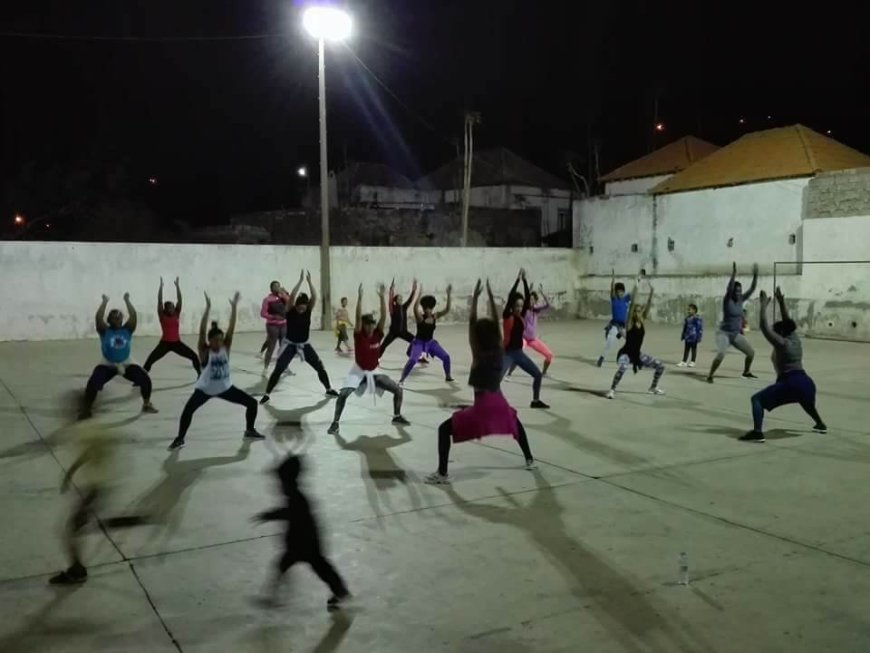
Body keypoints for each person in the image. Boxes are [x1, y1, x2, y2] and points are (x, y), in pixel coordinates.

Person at [424, 279, 536, 484]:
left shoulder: (477, 352)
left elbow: (472, 321)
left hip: (482, 409)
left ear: (477, 337)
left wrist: (475, 297)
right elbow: (494, 319)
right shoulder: (499, 351)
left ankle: (442, 474)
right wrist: (492, 297)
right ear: (494, 334)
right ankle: (530, 459)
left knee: (443, 430)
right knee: (515, 422)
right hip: (499, 404)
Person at [253, 454, 351, 610]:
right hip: (300, 543)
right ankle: (272, 596)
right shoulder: (294, 494)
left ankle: (341, 591)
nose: (278, 486)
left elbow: (290, 513)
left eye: (280, 482)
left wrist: (269, 515)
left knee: (320, 569)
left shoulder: (297, 497)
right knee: (290, 566)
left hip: (306, 543)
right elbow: (289, 513)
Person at [168, 292, 264, 451]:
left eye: (221, 339)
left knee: (252, 403)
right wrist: (207, 309)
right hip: (205, 390)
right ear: (210, 340)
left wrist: (234, 308)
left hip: (225, 388)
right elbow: (201, 331)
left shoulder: (225, 348)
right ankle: (180, 438)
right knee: (187, 411)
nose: (219, 342)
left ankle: (249, 430)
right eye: (215, 340)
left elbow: (231, 329)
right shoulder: (205, 351)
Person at [740, 287, 827, 443]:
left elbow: (764, 326)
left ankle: (757, 433)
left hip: (790, 382)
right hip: (806, 382)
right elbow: (788, 322)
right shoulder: (795, 338)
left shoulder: (782, 343)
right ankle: (820, 424)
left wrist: (764, 305)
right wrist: (781, 301)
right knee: (805, 401)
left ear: (780, 333)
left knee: (757, 400)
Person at [328, 284, 410, 435]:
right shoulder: (359, 336)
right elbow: (358, 317)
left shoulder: (378, 334)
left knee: (398, 390)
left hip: (374, 371)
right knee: (342, 395)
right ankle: (335, 423)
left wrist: (381, 297)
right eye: (368, 325)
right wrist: (359, 298)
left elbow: (384, 317)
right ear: (363, 325)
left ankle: (396, 416)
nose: (371, 327)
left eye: (372, 324)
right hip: (358, 371)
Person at [49, 423, 119, 584]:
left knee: (72, 529)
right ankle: (77, 568)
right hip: (99, 488)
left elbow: (94, 452)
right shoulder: (94, 428)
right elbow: (91, 452)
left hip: (97, 489)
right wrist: (72, 470)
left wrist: (72, 471)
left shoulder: (90, 430)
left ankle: (77, 571)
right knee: (78, 527)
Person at [261, 270, 339, 404]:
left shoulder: (308, 310)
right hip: (290, 345)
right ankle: (267, 394)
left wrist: (309, 282)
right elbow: (292, 296)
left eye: (304, 308)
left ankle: (329, 388)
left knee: (320, 367)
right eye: (300, 308)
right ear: (296, 306)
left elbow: (314, 297)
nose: (302, 310)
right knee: (279, 369)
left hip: (305, 345)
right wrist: (300, 281)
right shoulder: (290, 310)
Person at [80, 293, 157, 420]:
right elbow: (98, 317)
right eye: (114, 318)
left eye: (119, 318)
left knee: (145, 379)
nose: (117, 320)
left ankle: (147, 404)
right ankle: (86, 409)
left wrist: (127, 301)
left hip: (126, 362)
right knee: (93, 383)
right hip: (107, 363)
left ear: (122, 320)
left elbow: (133, 315)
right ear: (109, 320)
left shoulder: (128, 329)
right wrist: (104, 302)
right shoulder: (104, 330)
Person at [606, 278, 665, 399]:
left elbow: (648, 305)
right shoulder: (629, 324)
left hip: (637, 355)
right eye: (636, 311)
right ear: (633, 313)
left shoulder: (642, 320)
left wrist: (652, 291)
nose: (638, 312)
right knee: (623, 367)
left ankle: (653, 387)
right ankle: (612, 390)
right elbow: (632, 305)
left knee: (660, 366)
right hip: (626, 354)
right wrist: (637, 287)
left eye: (640, 311)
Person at [502, 269, 549, 408]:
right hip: (507, 353)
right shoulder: (507, 315)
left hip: (519, 353)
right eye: (516, 305)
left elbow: (528, 298)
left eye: (521, 306)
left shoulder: (522, 315)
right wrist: (518, 280)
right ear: (512, 305)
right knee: (495, 380)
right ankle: (487, 404)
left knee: (538, 375)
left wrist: (525, 281)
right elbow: (511, 296)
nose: (519, 308)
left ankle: (535, 401)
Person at [707, 263, 759, 383]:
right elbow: (729, 288)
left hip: (735, 334)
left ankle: (746, 372)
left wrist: (755, 275)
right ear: (732, 291)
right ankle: (710, 375)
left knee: (751, 353)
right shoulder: (727, 301)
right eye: (736, 291)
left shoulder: (741, 300)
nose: (738, 293)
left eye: (740, 291)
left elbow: (752, 289)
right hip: (724, 333)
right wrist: (734, 273)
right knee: (721, 354)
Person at [143, 277, 202, 378]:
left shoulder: (176, 313)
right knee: (150, 360)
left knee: (194, 356)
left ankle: (200, 375)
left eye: (173, 307)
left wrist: (177, 286)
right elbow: (159, 301)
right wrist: (161, 287)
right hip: (164, 344)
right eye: (169, 308)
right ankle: (141, 378)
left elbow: (180, 299)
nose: (172, 309)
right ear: (165, 309)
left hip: (176, 343)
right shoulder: (162, 315)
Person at [399, 285, 454, 384]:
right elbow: (415, 309)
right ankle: (402, 379)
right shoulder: (420, 318)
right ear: (423, 308)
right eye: (425, 308)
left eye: (429, 308)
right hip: (418, 343)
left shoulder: (435, 316)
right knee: (412, 360)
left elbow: (447, 309)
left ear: (432, 308)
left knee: (446, 357)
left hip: (430, 342)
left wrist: (449, 294)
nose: (427, 310)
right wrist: (419, 294)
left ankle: (448, 376)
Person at [507, 284, 554, 377]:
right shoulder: (524, 310)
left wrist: (542, 292)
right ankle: (509, 373)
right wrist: (528, 290)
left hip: (532, 339)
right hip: (523, 338)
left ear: (535, 301)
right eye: (529, 299)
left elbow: (548, 305)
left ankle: (543, 373)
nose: (530, 301)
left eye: (532, 299)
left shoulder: (536, 310)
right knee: (518, 355)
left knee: (549, 355)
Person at [597, 269, 631, 367]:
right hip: (615, 325)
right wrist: (613, 279)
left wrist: (638, 279)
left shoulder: (626, 299)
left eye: (622, 291)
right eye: (618, 291)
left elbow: (634, 291)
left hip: (624, 326)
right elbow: (611, 290)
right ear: (616, 292)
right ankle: (602, 358)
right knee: (610, 342)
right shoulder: (614, 299)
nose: (620, 293)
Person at [378, 278, 418, 357]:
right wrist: (391, 290)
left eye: (401, 298)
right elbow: (390, 300)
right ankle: (376, 358)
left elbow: (410, 300)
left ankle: (411, 354)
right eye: (399, 298)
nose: (401, 300)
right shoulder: (392, 308)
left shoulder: (404, 307)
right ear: (395, 301)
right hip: (393, 332)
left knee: (416, 341)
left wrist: (414, 290)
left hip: (403, 332)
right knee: (383, 345)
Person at [260, 281, 291, 373]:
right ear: (271, 288)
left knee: (284, 346)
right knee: (271, 346)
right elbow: (263, 313)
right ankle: (265, 368)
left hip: (283, 324)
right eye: (275, 286)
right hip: (272, 325)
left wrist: (285, 293)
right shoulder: (267, 299)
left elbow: (290, 303)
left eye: (278, 286)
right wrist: (273, 316)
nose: (277, 288)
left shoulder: (283, 297)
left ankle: (285, 366)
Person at [677, 303, 703, 367]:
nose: (688, 311)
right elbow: (685, 327)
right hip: (687, 336)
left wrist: (699, 337)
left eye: (690, 310)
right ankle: (684, 361)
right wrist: (683, 335)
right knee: (686, 349)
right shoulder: (687, 318)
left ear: (694, 310)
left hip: (694, 336)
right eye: (688, 310)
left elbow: (699, 328)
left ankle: (692, 361)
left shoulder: (697, 318)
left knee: (693, 349)